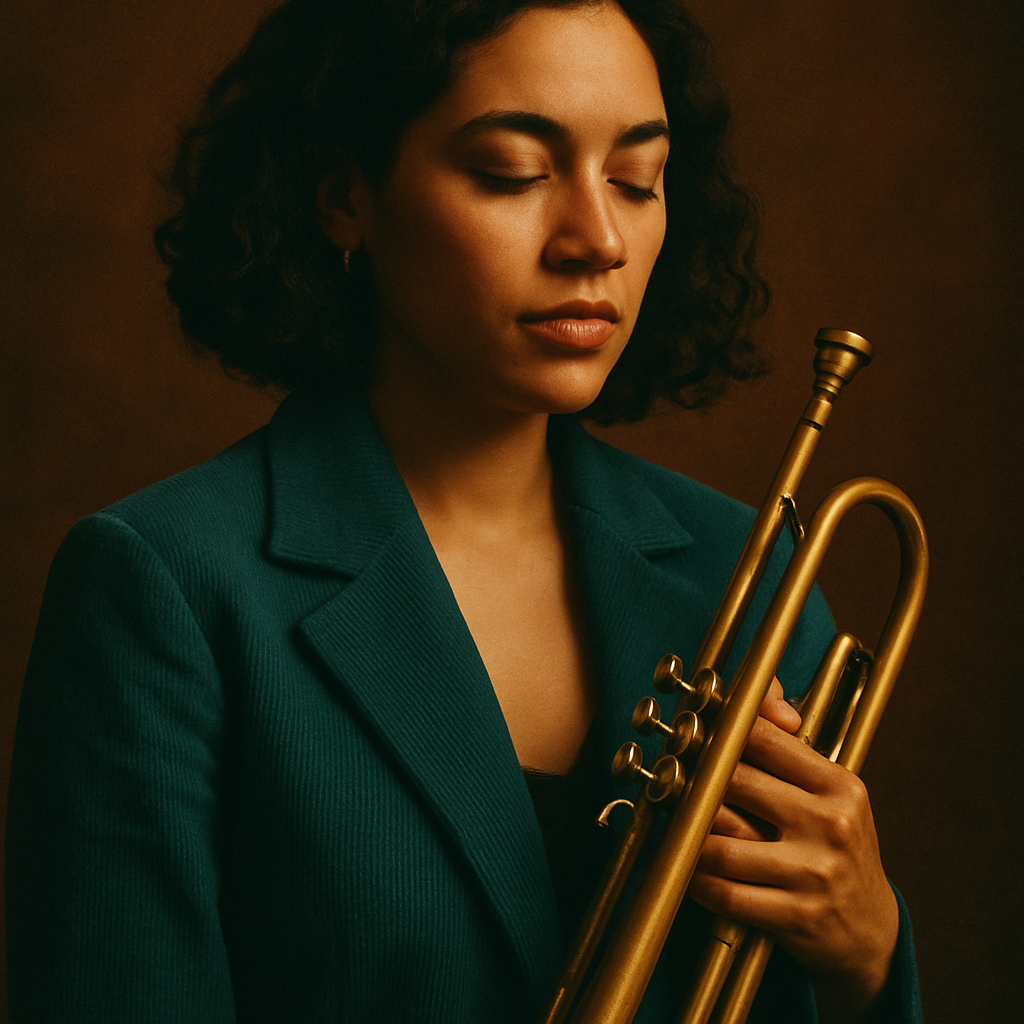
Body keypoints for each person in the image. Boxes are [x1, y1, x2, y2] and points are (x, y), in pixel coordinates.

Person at [5, 1, 923, 1022]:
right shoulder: (164, 583)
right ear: (344, 195)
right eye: (512, 174)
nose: (597, 239)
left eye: (637, 179)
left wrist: (865, 954)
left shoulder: (749, 570)